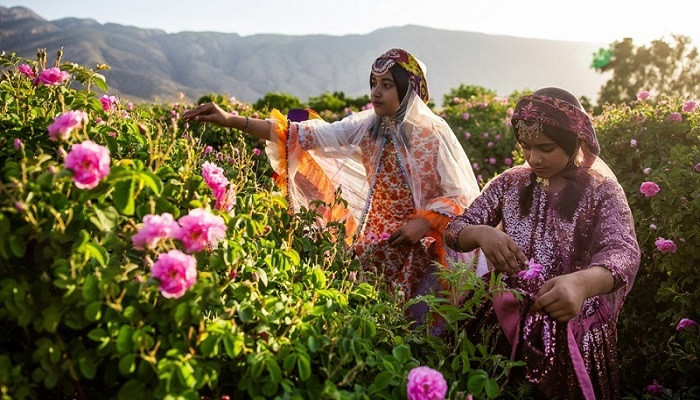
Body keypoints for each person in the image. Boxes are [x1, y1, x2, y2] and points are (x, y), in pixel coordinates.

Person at [183, 48, 483, 322]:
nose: (376, 92)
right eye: (374, 84)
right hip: (377, 244)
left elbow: (460, 195)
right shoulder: (367, 127)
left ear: (408, 91)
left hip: (427, 247)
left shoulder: (433, 134)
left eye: (387, 85)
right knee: (371, 320)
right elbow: (301, 135)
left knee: (421, 326)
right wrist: (230, 119)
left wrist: (424, 222)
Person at [444, 87, 640, 399]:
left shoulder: (601, 191)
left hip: (571, 325)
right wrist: (482, 233)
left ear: (574, 142)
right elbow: (455, 229)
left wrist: (581, 283)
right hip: (501, 316)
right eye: (526, 147)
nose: (534, 158)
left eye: (546, 148)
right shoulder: (509, 183)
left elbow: (623, 252)